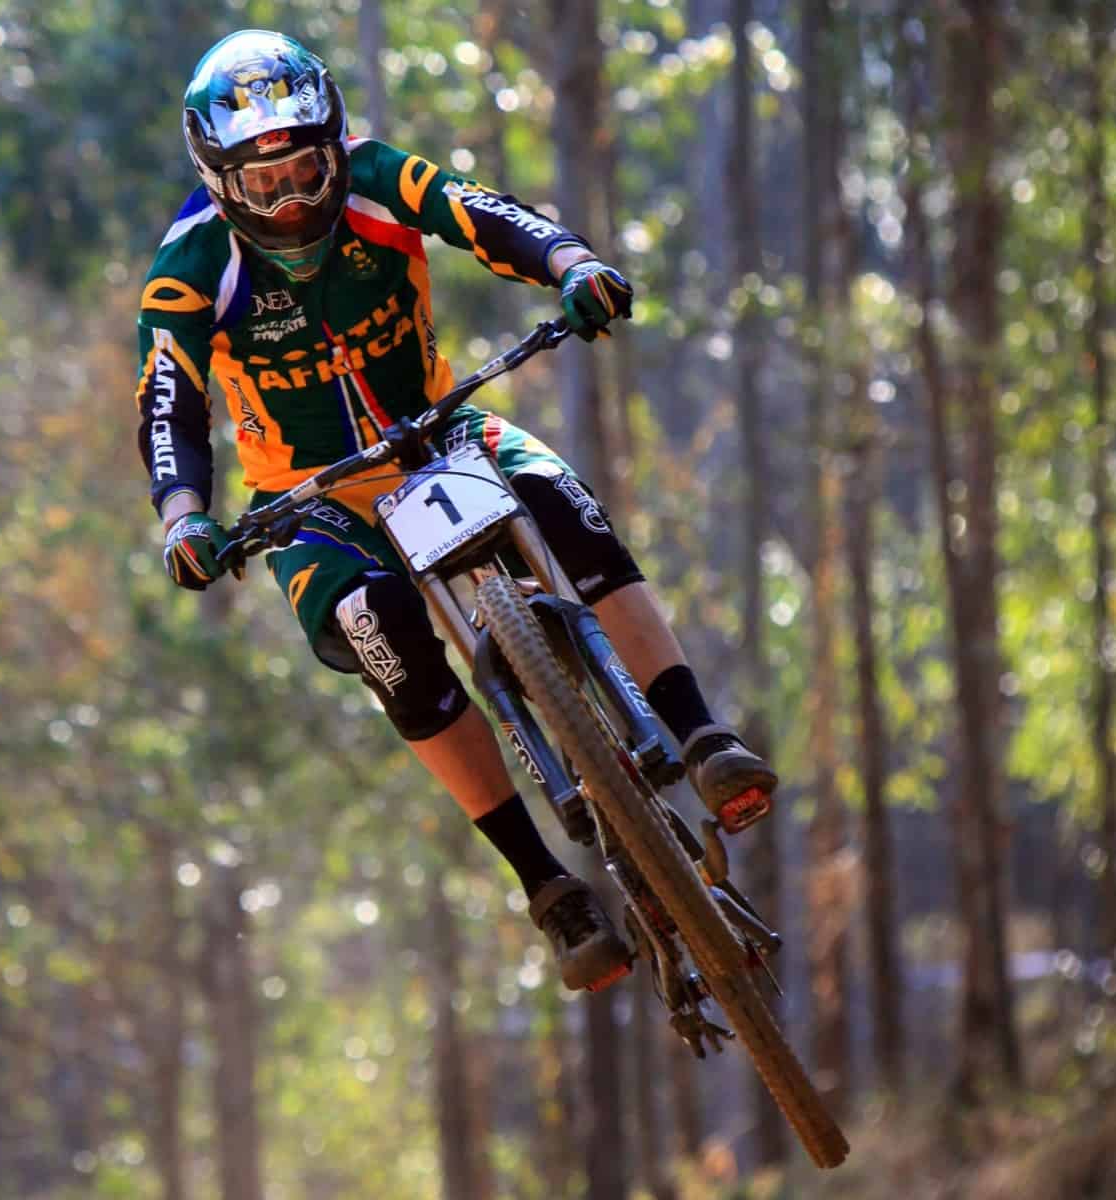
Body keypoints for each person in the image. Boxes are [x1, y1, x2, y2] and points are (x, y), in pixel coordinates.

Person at [135, 30, 777, 993]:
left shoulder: (378, 178)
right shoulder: (189, 266)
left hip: (440, 428)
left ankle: (702, 735)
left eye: (306, 171)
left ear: (336, 147)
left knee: (564, 501)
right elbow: (168, 404)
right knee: (378, 631)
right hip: (312, 499)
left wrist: (571, 265)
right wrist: (185, 515)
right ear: (218, 181)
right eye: (263, 185)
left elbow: (481, 214)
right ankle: (548, 887)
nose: (293, 201)